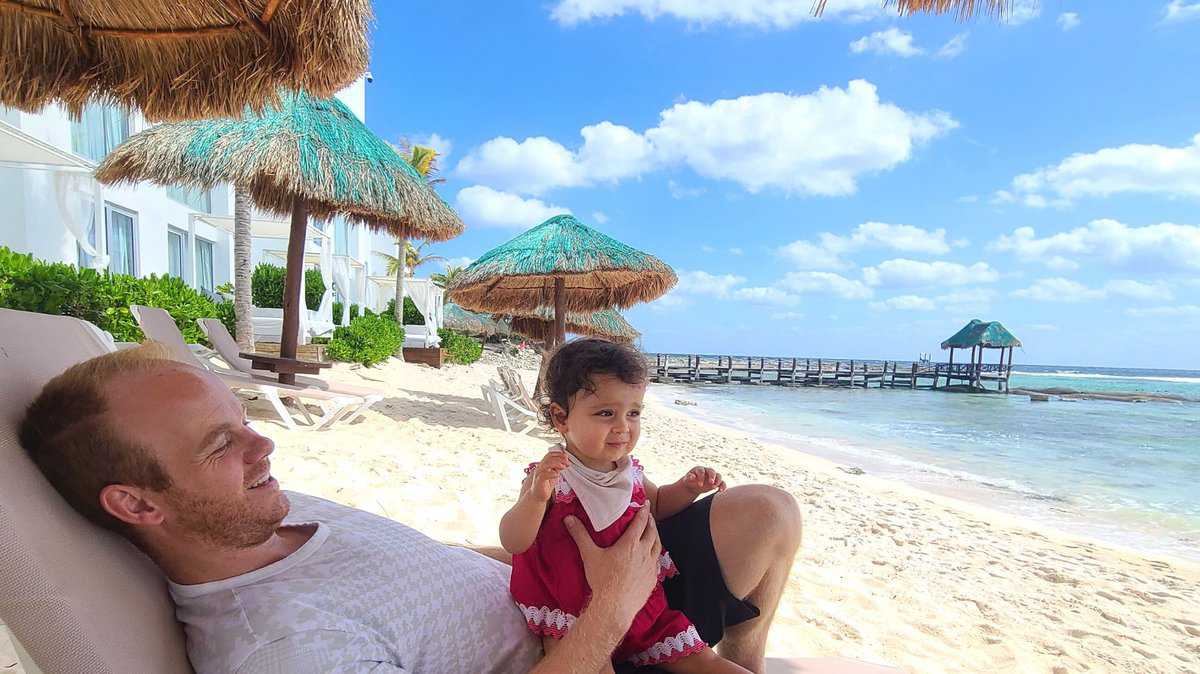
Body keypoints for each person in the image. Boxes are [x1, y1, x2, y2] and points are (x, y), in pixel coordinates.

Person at [18, 342, 802, 673]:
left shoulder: (268, 510)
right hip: (589, 642)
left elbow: (422, 563)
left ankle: (746, 651)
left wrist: (515, 559)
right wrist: (612, 606)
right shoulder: (280, 646)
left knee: (768, 511)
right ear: (135, 503)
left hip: (572, 591)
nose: (265, 449)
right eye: (220, 445)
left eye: (246, 422)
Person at [502, 339, 749, 673]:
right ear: (561, 418)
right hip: (571, 616)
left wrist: (688, 488)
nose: (623, 427)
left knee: (706, 660)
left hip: (642, 610)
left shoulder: (629, 471)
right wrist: (534, 498)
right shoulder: (553, 477)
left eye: (633, 413)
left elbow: (658, 503)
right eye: (606, 413)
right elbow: (514, 540)